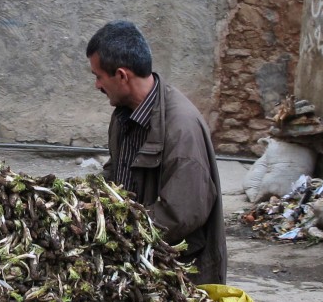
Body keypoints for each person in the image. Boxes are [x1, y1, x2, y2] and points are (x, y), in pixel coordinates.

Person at [86, 20, 227, 285]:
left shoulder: (181, 128)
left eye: (98, 76)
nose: (96, 85)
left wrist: (121, 231)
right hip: (137, 264)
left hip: (177, 273)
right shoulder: (123, 117)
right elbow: (118, 172)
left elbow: (182, 213)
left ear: (121, 75)